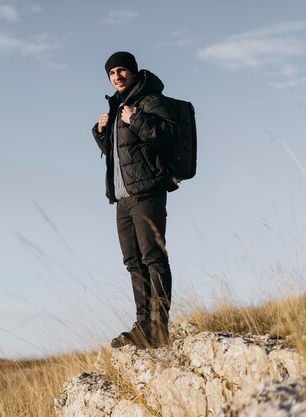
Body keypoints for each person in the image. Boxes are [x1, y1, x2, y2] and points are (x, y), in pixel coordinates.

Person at [92, 51, 179, 349]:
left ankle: (159, 326)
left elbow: (169, 135)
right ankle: (143, 325)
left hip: (146, 193)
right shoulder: (117, 109)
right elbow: (122, 155)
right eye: (111, 73)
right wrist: (101, 132)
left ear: (132, 71)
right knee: (133, 263)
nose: (117, 76)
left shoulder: (149, 100)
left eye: (121, 70)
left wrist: (137, 118)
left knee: (153, 258)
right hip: (122, 197)